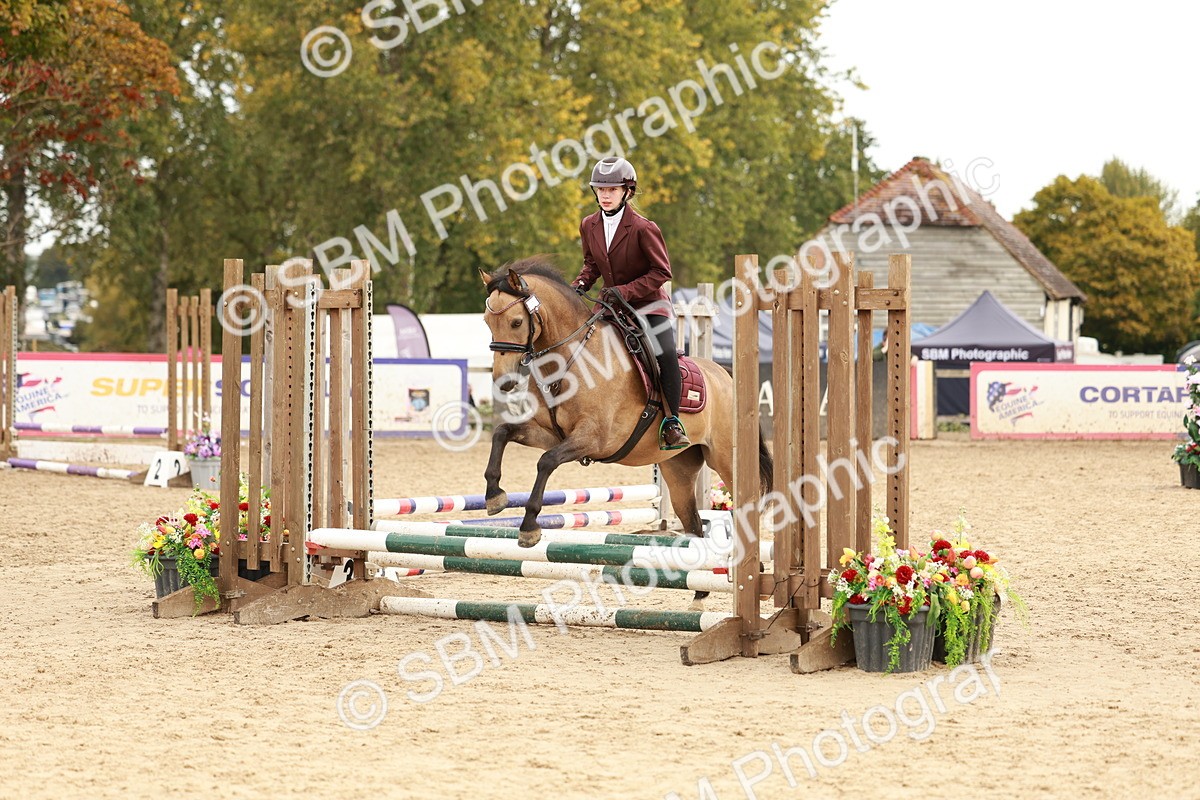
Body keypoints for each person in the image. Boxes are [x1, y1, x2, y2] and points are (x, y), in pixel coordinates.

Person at [569, 156, 691, 450]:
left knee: (664, 355)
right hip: (611, 305)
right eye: (600, 189)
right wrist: (580, 284)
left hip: (649, 305)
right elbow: (591, 265)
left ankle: (672, 423)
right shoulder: (589, 225)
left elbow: (662, 272)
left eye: (612, 190)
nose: (605, 195)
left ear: (628, 192)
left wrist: (625, 290)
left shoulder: (642, 227)